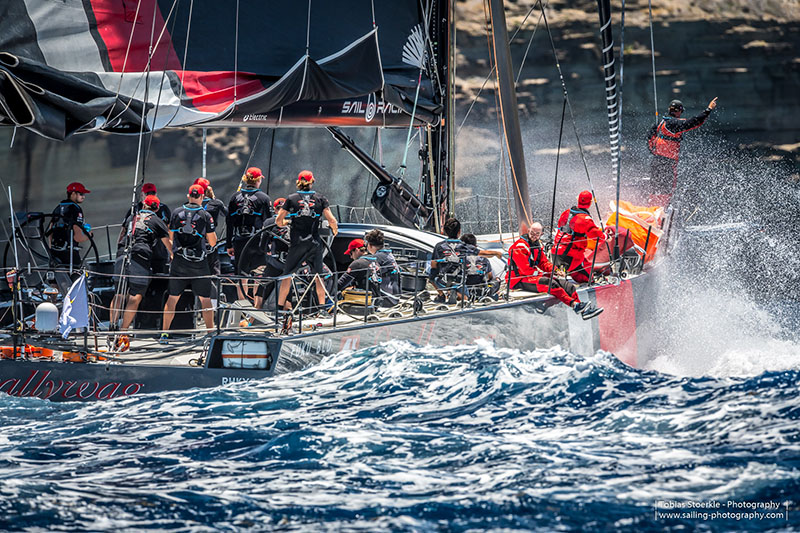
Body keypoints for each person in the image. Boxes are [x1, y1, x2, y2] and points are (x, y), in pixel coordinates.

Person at [110, 195, 171, 350]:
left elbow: (122, 235)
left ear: (144, 204)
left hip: (121, 255)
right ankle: (123, 332)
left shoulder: (132, 216)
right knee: (135, 296)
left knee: (119, 293)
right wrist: (173, 255)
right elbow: (167, 243)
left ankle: (111, 328)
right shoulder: (157, 220)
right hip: (140, 258)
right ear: (156, 208)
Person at [508, 222, 603, 320]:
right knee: (551, 284)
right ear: (528, 231)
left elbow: (543, 263)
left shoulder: (537, 245)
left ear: (541, 234)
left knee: (568, 286)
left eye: (537, 234)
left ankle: (584, 311)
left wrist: (556, 271)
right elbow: (525, 270)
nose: (534, 236)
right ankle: (575, 305)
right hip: (518, 280)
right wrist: (542, 274)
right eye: (532, 233)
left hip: (531, 277)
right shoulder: (520, 246)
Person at [160, 184, 218, 343]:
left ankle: (164, 334)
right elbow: (212, 242)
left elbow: (170, 235)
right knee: (205, 299)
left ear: (188, 196)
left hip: (179, 263)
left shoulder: (176, 212)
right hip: (199, 264)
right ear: (201, 197)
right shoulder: (206, 215)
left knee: (172, 298)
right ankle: (210, 334)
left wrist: (173, 253)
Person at [275, 170, 338, 313]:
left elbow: (278, 221)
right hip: (314, 243)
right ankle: (321, 309)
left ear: (298, 182)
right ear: (312, 182)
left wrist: (286, 222)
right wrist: (335, 230)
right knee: (318, 276)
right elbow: (332, 220)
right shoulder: (321, 199)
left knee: (287, 276)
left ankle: (279, 310)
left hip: (297, 243)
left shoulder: (291, 198)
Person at [647, 97, 718, 205]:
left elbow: (649, 138)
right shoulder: (673, 124)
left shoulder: (660, 123)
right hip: (667, 163)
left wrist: (654, 151)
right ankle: (662, 212)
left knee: (655, 187)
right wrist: (708, 110)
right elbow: (693, 122)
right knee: (667, 189)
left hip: (656, 161)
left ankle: (652, 209)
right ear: (679, 111)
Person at [429, 217, 501, 303]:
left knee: (432, 274)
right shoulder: (463, 245)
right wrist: (497, 253)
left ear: (445, 231)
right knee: (465, 294)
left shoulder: (439, 246)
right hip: (459, 280)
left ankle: (441, 295)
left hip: (443, 281)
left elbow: (433, 264)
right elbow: (483, 253)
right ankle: (459, 295)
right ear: (459, 232)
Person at [226, 167, 272, 300]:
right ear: (258, 180)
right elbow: (269, 223)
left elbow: (229, 223)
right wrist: (268, 244)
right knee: (259, 276)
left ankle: (243, 310)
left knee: (242, 277)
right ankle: (257, 310)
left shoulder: (235, 197)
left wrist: (229, 244)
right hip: (257, 242)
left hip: (239, 241)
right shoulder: (263, 198)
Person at [553, 190, 605, 283]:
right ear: (590, 203)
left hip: (555, 254)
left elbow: (561, 226)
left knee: (580, 266)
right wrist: (605, 236)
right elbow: (595, 234)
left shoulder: (566, 212)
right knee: (588, 277)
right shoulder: (585, 219)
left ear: (578, 200)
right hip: (571, 258)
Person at [337, 230, 401, 307]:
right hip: (394, 297)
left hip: (386, 300)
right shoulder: (388, 255)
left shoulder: (369, 260)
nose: (350, 257)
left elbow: (340, 284)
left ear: (369, 246)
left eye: (351, 253)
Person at [119, 183, 171, 274]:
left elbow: (169, 231)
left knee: (160, 279)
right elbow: (124, 231)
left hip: (159, 252)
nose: (150, 195)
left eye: (153, 193)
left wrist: (170, 251)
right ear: (142, 194)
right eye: (148, 193)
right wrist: (120, 248)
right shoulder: (133, 210)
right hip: (141, 250)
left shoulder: (164, 209)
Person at [193, 177, 227, 307]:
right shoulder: (216, 203)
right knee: (214, 274)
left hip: (196, 246)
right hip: (210, 244)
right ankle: (213, 307)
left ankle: (197, 307)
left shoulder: (190, 206)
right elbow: (228, 215)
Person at [48, 182, 92, 268]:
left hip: (55, 252)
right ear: (73, 194)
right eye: (81, 194)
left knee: (56, 279)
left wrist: (50, 250)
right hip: (70, 254)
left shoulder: (58, 208)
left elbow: (50, 231)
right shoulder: (76, 209)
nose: (83, 196)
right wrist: (90, 235)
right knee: (76, 278)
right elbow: (77, 237)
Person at [458, 233, 499, 299]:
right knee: (496, 280)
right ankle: (490, 294)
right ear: (475, 245)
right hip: (480, 289)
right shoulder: (483, 258)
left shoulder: (459, 258)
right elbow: (490, 275)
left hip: (464, 289)